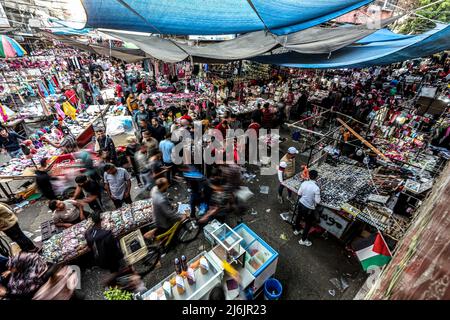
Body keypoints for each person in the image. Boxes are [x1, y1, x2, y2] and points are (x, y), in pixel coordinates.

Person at [293, 170, 321, 247]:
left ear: (309, 176)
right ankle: (303, 240)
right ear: (316, 177)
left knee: (298, 216)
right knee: (308, 224)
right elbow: (317, 201)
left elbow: (299, 193)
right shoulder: (316, 188)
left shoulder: (304, 183)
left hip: (301, 203)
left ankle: (296, 230)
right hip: (308, 208)